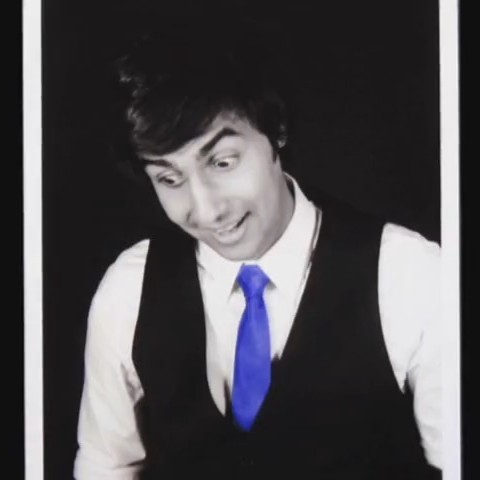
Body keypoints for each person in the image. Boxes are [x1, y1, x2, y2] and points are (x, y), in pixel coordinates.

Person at [73, 18, 442, 480]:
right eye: (169, 178)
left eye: (222, 162)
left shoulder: (412, 276)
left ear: (276, 132)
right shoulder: (128, 290)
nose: (206, 210)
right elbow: (105, 466)